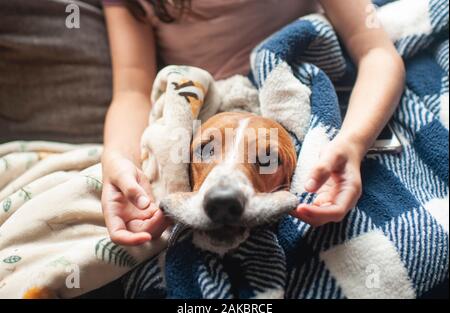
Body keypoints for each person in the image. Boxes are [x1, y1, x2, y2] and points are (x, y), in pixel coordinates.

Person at [101, 0, 405, 245]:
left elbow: (376, 52)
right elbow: (131, 92)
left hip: (300, 94)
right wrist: (117, 160)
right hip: (204, 112)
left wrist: (352, 143)